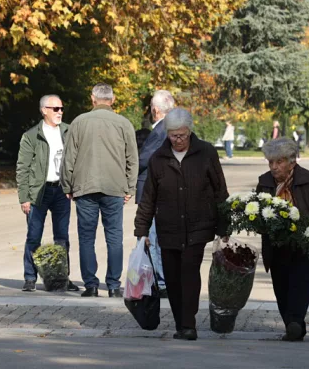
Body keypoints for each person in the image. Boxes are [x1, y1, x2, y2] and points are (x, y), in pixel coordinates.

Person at [134, 108, 229, 341]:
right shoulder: (159, 158)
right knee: (173, 277)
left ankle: (189, 324)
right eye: (174, 135)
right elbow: (149, 197)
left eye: (182, 135)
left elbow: (220, 191)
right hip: (168, 227)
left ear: (190, 131)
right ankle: (180, 322)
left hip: (198, 226)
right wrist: (142, 230)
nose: (178, 140)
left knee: (189, 273)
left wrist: (224, 228)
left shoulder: (206, 152)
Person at [256, 138, 309, 341]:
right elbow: (257, 212)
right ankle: (291, 325)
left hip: (306, 244)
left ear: (292, 161)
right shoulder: (264, 182)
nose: (274, 167)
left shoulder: (308, 179)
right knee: (281, 286)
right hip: (277, 246)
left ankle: (295, 322)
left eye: (279, 162)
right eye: (271, 162)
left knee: (300, 285)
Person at [61, 83, 138, 298]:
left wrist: (67, 185)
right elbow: (132, 158)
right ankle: (113, 285)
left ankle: (91, 286)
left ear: (93, 99)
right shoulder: (124, 123)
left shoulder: (78, 122)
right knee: (114, 237)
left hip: (85, 187)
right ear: (112, 100)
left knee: (86, 237)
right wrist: (130, 187)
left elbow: (69, 157)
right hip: (115, 187)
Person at [16, 95, 79, 293]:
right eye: (55, 109)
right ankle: (30, 277)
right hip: (39, 192)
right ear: (44, 110)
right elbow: (22, 168)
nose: (60, 112)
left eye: (61, 108)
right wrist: (24, 197)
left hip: (62, 191)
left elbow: (77, 160)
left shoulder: (69, 131)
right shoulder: (32, 135)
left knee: (62, 237)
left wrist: (72, 187)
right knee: (33, 236)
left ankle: (62, 279)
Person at [134, 89, 175, 297]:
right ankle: (159, 279)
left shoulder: (161, 130)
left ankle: (160, 281)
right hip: (160, 191)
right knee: (154, 237)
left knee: (151, 237)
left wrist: (128, 167)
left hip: (152, 191)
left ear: (155, 110)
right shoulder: (169, 128)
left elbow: (145, 159)